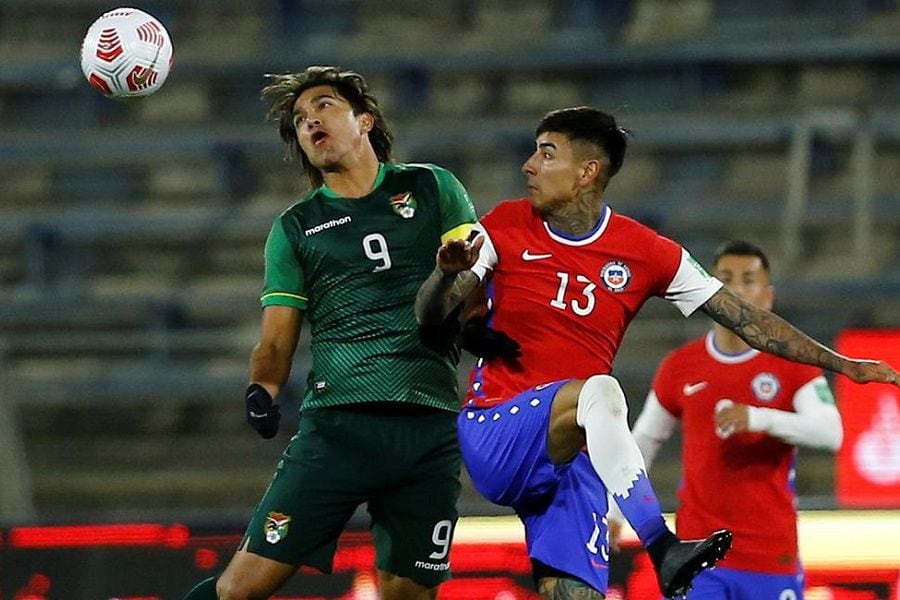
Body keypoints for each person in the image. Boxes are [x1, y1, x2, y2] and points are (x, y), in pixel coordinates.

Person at [415, 106, 899, 599]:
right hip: (498, 429)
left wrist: (843, 365)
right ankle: (662, 543)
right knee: (601, 391)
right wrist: (448, 274)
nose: (529, 166)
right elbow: (430, 313)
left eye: (546, 153)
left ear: (587, 172)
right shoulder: (504, 224)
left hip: (573, 454)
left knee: (577, 594)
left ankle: (660, 548)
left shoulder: (645, 251)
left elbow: (747, 320)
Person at [183, 66, 477, 600]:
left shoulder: (432, 187)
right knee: (239, 590)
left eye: (322, 106)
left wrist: (472, 313)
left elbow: (474, 281)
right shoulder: (296, 227)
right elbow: (276, 338)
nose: (309, 121)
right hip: (341, 426)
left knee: (409, 594)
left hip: (428, 429)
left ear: (364, 120)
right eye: (299, 120)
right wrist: (262, 390)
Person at [613, 240, 844, 599]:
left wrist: (758, 418)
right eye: (725, 279)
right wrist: (615, 510)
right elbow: (642, 442)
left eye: (748, 280)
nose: (736, 289)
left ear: (767, 296)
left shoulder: (792, 364)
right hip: (699, 555)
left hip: (769, 556)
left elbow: (831, 433)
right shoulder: (680, 366)